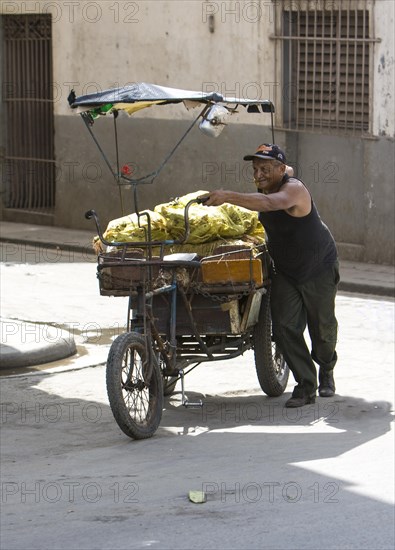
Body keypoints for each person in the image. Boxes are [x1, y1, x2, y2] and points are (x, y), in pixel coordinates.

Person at [201, 144, 339, 408]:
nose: (258, 175)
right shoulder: (272, 182)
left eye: (265, 169)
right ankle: (306, 386)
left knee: (322, 328)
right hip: (286, 270)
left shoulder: (294, 190)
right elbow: (275, 179)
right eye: (254, 169)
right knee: (285, 327)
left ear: (279, 170)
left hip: (318, 267)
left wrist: (227, 195)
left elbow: (270, 203)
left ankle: (326, 368)